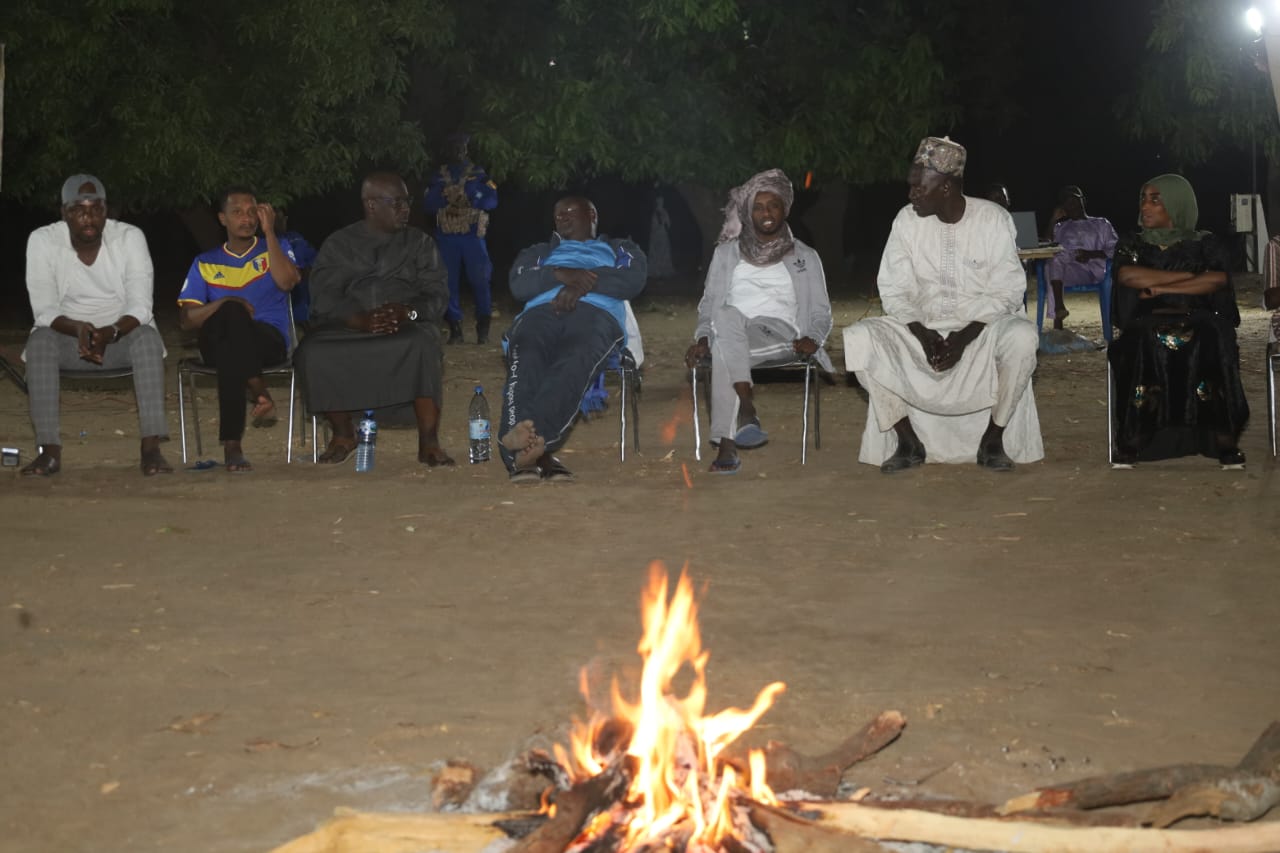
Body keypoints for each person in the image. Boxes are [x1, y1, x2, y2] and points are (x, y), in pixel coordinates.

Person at [843, 136, 1042, 473]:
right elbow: (894, 289)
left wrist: (964, 338)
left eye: (919, 186)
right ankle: (907, 441)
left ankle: (993, 439)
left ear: (947, 187)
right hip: (921, 326)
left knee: (1023, 338)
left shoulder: (992, 219)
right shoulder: (906, 221)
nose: (911, 194)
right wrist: (921, 333)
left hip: (983, 329)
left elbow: (1008, 291)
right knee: (860, 338)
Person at [295, 171, 455, 467]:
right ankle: (344, 435)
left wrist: (409, 312)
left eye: (407, 202)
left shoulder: (419, 243)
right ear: (371, 205)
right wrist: (358, 319)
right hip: (351, 325)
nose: (405, 209)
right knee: (311, 350)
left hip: (405, 325)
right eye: (397, 203)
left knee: (423, 345)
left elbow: (437, 294)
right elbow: (323, 297)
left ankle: (429, 443)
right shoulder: (340, 244)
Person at [684, 169, 834, 475]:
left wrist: (815, 339)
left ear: (785, 209)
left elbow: (821, 311)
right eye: (758, 206)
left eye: (773, 205)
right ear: (749, 212)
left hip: (781, 334)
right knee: (725, 318)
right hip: (732, 331)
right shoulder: (726, 253)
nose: (766, 213)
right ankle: (746, 409)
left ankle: (729, 444)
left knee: (726, 346)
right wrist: (702, 338)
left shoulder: (805, 256)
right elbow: (710, 304)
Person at [22, 174, 171, 477]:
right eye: (79, 209)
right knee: (38, 342)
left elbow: (141, 306)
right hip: (68, 339)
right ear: (64, 213)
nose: (88, 217)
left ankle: (151, 449)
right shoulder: (42, 240)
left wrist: (110, 332)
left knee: (148, 340)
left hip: (120, 338)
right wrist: (79, 329)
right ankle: (49, 451)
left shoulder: (129, 237)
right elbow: (44, 310)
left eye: (96, 209)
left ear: (106, 211)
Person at [500, 196, 646, 482]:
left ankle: (525, 441)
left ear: (591, 214)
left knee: (576, 356)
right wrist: (559, 274)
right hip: (541, 312)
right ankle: (531, 450)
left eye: (569, 212)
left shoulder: (619, 248)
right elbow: (520, 283)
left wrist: (577, 285)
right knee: (527, 351)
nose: (562, 219)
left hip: (597, 314)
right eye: (557, 215)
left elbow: (632, 278)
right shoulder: (540, 252)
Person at [1109, 174, 1247, 469]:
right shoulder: (1133, 243)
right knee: (1145, 338)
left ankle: (1222, 437)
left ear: (1176, 204)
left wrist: (1159, 288)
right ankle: (1135, 437)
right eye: (1143, 199)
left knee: (1210, 336)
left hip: (1201, 318)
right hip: (1146, 320)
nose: (1145, 206)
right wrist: (1190, 277)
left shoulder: (1205, 243)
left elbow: (1218, 279)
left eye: (1155, 199)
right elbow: (1129, 276)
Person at [177, 187, 301, 472]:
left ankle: (233, 444)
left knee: (230, 347)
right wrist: (226, 302)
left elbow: (287, 282)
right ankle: (257, 387)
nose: (246, 219)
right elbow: (186, 321)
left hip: (267, 340)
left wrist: (270, 234)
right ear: (222, 219)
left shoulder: (275, 248)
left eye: (251, 212)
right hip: (217, 340)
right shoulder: (205, 262)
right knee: (230, 313)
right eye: (237, 212)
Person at [423, 132, 498, 345]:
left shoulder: (478, 173)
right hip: (447, 237)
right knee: (448, 283)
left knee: (481, 280)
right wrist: (444, 195)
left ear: (466, 149)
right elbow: (427, 204)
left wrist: (471, 195)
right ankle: (455, 328)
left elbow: (492, 201)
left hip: (472, 237)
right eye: (453, 147)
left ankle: (483, 327)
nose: (457, 151)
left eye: (461, 147)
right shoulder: (439, 175)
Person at [1041, 185, 1118, 329]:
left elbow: (1115, 249)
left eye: (1074, 200)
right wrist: (1053, 220)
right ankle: (1059, 308)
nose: (1072, 204)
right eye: (1067, 202)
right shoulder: (1060, 227)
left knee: (1053, 263)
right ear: (1063, 207)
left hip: (1096, 270)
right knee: (1053, 259)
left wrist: (1091, 254)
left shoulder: (1101, 223)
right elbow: (1045, 246)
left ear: (1083, 201)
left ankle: (1057, 321)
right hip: (1072, 271)